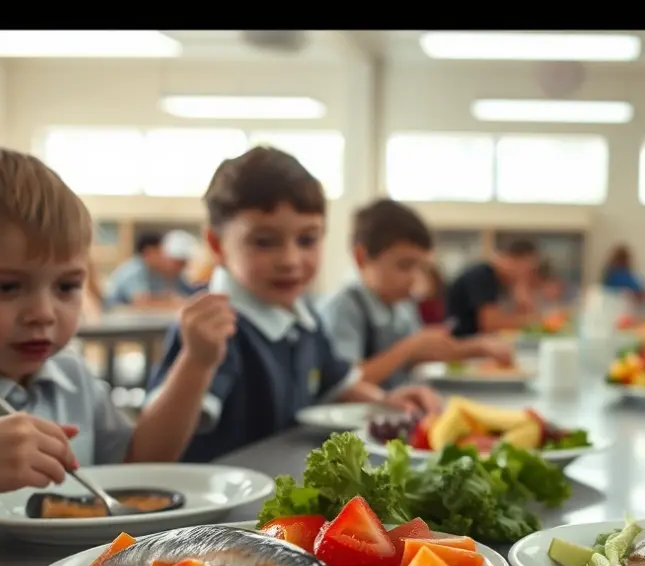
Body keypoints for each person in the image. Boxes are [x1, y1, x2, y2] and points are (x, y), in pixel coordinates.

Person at [145, 147, 439, 464]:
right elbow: (152, 453)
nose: (290, 260)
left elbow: (339, 385)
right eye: (264, 242)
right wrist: (196, 360)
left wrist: (386, 402)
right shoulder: (214, 329)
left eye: (307, 240)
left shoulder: (304, 318)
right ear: (217, 245)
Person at [0, 148, 217, 495]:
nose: (44, 312)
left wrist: (196, 361)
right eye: (7, 286)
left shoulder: (71, 375)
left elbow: (137, 464)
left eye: (67, 286)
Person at [317, 199, 511, 389]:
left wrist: (477, 347)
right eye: (404, 265)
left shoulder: (402, 304)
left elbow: (422, 354)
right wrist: (411, 347)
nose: (414, 278)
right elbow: (346, 382)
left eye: (420, 268)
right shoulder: (346, 306)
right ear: (361, 258)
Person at [445, 239, 541, 338]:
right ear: (514, 261)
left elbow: (521, 315)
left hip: (475, 340)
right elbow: (490, 324)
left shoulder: (501, 281)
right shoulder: (483, 276)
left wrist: (521, 293)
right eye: (528, 269)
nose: (527, 276)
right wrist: (533, 320)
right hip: (460, 340)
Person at [102, 229, 200, 310]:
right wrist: (171, 302)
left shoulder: (161, 273)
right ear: (149, 252)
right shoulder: (134, 270)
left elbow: (187, 295)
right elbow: (141, 301)